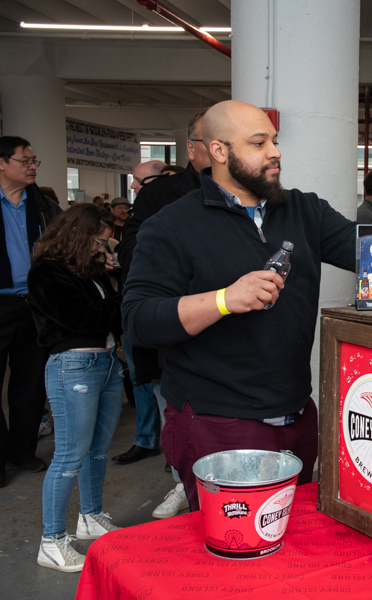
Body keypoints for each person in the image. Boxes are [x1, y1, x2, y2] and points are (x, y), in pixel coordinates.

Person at [122, 100, 372, 510]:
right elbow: (139, 320)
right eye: (258, 143)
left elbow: (366, 249)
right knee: (238, 556)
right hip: (217, 421)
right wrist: (224, 299)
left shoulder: (302, 209)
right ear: (219, 151)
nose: (275, 151)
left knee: (296, 545)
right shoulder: (172, 225)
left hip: (296, 414)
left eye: (273, 141)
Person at [115, 108, 211, 519]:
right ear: (193, 148)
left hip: (237, 329)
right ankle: (180, 480)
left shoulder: (253, 195)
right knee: (180, 414)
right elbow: (130, 250)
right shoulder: (161, 196)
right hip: (181, 323)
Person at [28, 204, 123, 572]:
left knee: (97, 450)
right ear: (78, 234)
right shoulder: (46, 271)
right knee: (69, 455)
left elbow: (108, 312)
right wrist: (116, 303)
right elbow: (82, 317)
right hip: (74, 366)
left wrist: (112, 293)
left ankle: (91, 515)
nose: (104, 248)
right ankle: (51, 540)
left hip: (107, 361)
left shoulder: (90, 269)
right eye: (99, 240)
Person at [0, 136, 62, 488]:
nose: (32, 165)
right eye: (24, 160)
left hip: (34, 304)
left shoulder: (42, 204)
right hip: (0, 303)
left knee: (30, 383)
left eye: (33, 159)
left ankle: (22, 451)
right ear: (2, 163)